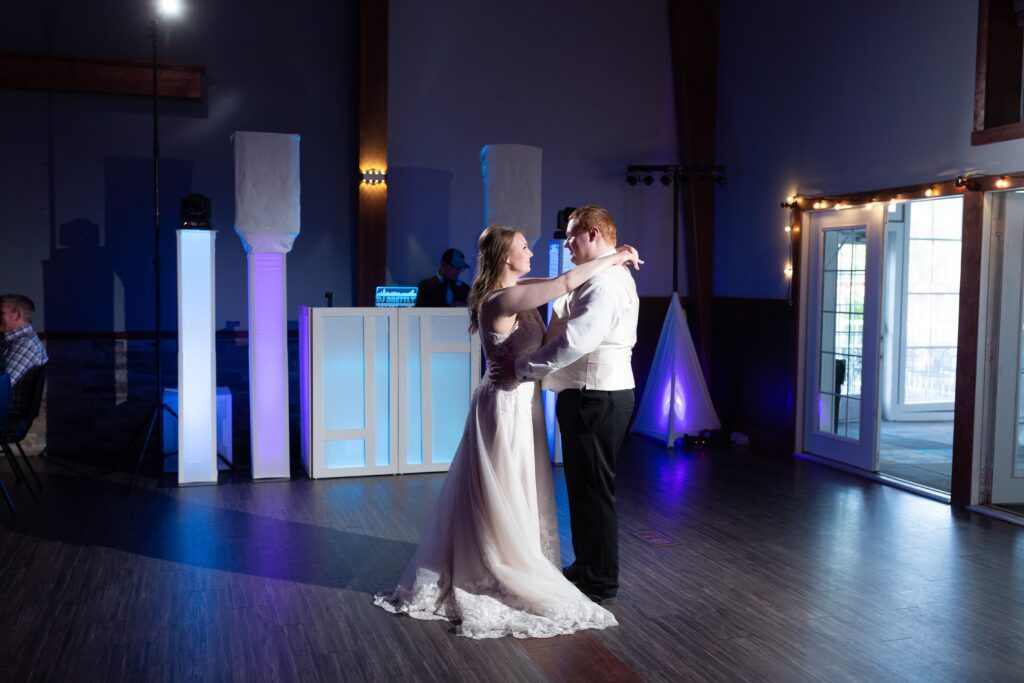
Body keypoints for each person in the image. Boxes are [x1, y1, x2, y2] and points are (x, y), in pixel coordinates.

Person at [374, 225, 642, 639]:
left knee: (518, 483)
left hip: (521, 402)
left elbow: (563, 281)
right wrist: (618, 255)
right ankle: (497, 563)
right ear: (505, 257)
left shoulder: (518, 286)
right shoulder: (504, 298)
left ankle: (516, 554)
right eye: (523, 247)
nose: (531, 253)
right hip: (502, 403)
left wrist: (611, 259)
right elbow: (568, 280)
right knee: (502, 485)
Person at [492, 206, 639, 605]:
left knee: (594, 489)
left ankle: (601, 578)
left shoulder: (605, 283)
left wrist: (521, 368)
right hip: (590, 393)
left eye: (571, 235)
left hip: (597, 395)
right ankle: (587, 565)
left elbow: (575, 341)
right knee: (583, 487)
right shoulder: (599, 274)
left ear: (592, 233)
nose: (565, 242)